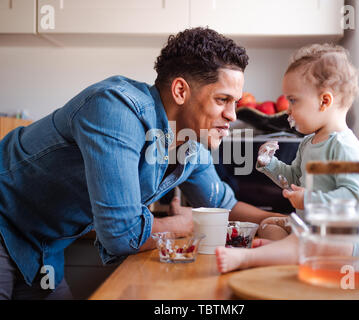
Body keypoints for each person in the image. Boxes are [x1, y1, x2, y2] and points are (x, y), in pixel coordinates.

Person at [0, 27, 283, 300]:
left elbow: (223, 205)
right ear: (181, 91)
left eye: (235, 102)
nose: (233, 115)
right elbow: (122, 234)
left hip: (43, 247)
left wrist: (291, 224)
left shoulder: (191, 143)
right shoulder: (115, 109)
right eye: (223, 100)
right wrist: (187, 225)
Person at [216, 43, 359, 273]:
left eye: (294, 100)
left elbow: (355, 198)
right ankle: (283, 252)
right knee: (269, 224)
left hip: (342, 239)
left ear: (324, 101)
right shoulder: (308, 142)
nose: (288, 109)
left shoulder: (345, 146)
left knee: (301, 241)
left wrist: (309, 199)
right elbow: (293, 180)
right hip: (309, 229)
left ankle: (250, 258)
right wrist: (270, 164)